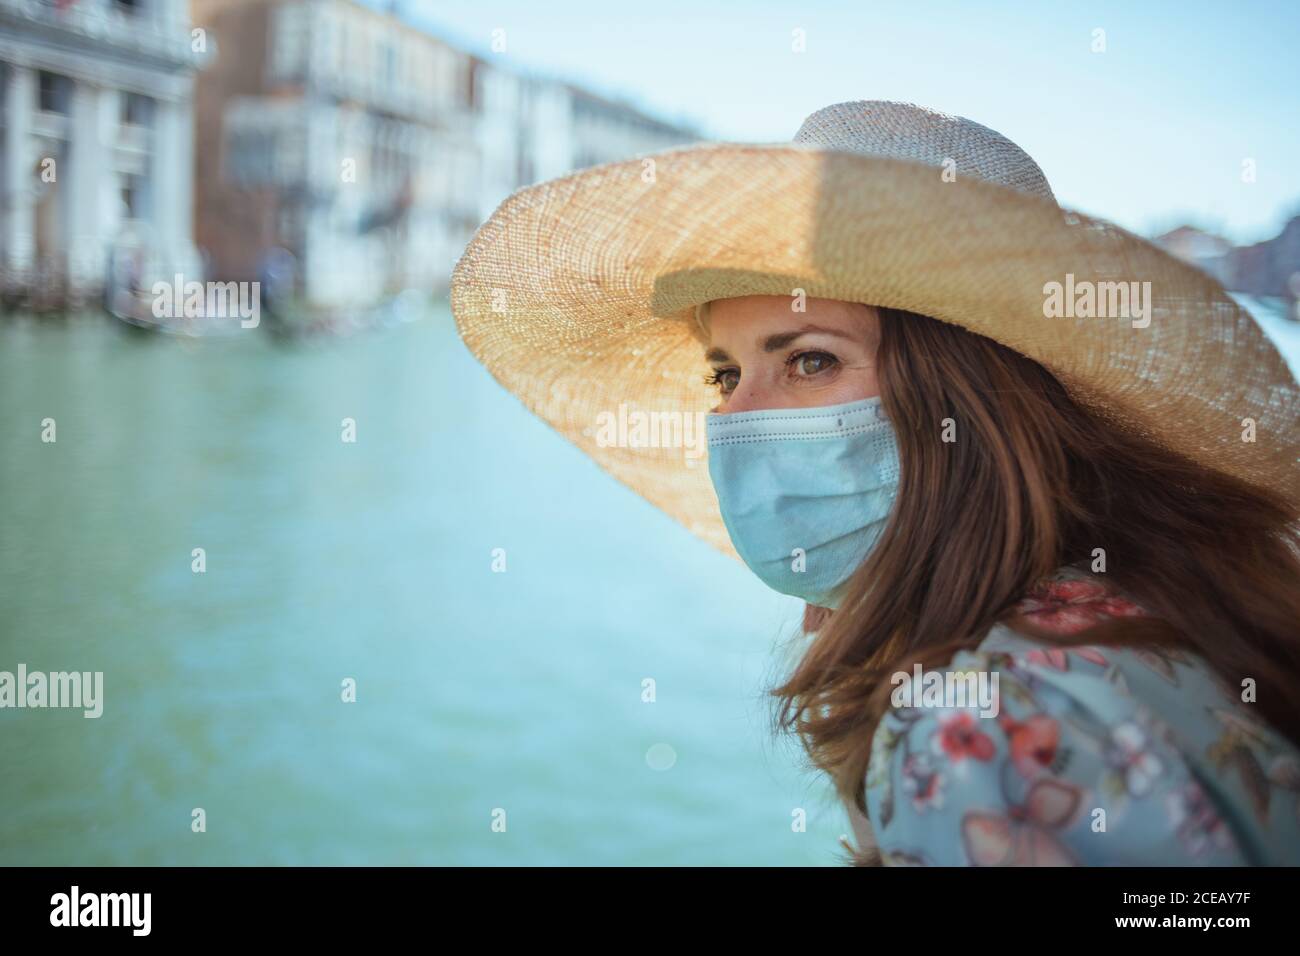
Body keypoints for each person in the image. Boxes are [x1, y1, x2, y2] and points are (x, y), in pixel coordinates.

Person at [451, 101, 1300, 865]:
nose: (735, 418)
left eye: (811, 359)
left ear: (966, 401)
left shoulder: (971, 732)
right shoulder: (1173, 596)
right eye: (723, 375)